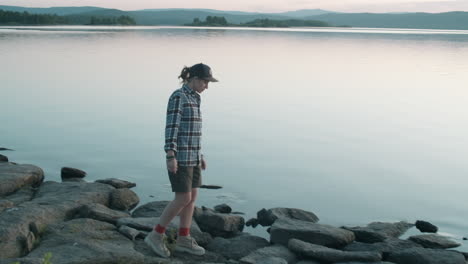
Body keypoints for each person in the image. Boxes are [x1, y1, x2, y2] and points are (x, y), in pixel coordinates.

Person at [145, 63, 218, 258]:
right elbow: (172, 127)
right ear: (194, 78)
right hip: (180, 157)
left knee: (192, 198)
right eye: (205, 81)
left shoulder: (196, 98)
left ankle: (184, 239)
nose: (207, 86)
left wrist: (200, 155)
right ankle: (155, 235)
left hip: (193, 157)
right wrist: (170, 155)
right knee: (183, 198)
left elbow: (193, 130)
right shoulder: (179, 96)